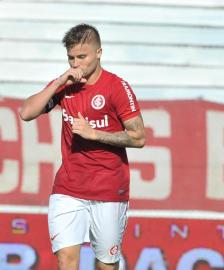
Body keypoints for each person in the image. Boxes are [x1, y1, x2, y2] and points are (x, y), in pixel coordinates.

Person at [19, 24, 146, 270]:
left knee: (106, 265)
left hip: (108, 188)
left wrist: (95, 134)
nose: (76, 64)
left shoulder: (116, 87)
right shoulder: (66, 85)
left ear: (99, 53)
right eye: (71, 58)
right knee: (66, 259)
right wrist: (57, 83)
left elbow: (139, 137)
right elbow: (26, 112)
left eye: (82, 57)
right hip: (68, 188)